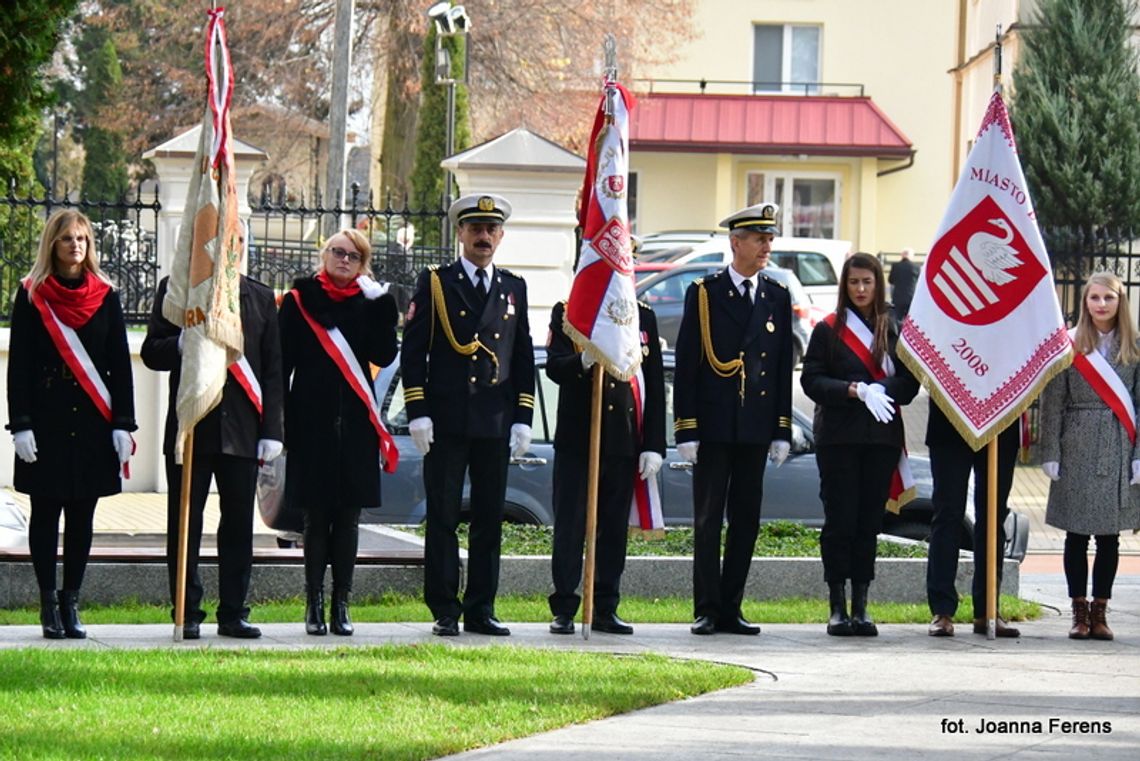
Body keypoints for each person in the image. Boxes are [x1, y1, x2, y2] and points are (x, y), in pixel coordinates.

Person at [401, 193, 535, 637]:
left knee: (488, 517)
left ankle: (481, 607)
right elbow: (414, 350)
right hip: (447, 420)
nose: (483, 237)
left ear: (501, 235)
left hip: (494, 422)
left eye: (491, 229)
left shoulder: (513, 286)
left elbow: (521, 355)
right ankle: (444, 607)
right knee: (442, 515)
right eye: (475, 228)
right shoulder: (437, 282)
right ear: (460, 233)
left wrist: (522, 416)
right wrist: (417, 410)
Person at [142, 239, 284, 640]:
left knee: (239, 525)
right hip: (193, 426)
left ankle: (234, 612)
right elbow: (153, 351)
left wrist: (273, 431)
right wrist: (181, 343)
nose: (228, 249)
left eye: (236, 241)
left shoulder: (257, 296)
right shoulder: (178, 289)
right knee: (184, 521)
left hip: (243, 430)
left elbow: (273, 369)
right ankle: (185, 611)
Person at [6, 209, 136, 639]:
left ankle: (71, 602)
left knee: (83, 514)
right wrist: (20, 424)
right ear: (53, 245)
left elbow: (120, 363)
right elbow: (19, 366)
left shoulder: (106, 295)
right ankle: (47, 604)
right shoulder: (31, 295)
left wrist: (123, 423)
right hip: (47, 419)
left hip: (94, 422)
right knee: (45, 513)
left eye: (81, 238)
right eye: (66, 239)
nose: (75, 245)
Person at [673, 201, 794, 636]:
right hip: (715, 425)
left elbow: (781, 368)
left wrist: (782, 428)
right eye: (759, 238)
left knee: (746, 520)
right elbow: (687, 364)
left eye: (769, 238)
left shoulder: (777, 296)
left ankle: (732, 607)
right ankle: (706, 607)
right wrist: (685, 426)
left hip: (756, 426)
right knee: (707, 520)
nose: (767, 246)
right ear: (735, 242)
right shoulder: (704, 293)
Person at [278, 228, 399, 636]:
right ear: (324, 255)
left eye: (353, 256)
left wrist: (382, 304)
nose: (343, 260)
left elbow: (384, 354)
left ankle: (341, 603)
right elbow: (281, 365)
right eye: (337, 252)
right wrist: (280, 425)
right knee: (315, 519)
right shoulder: (299, 302)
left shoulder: (369, 306)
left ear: (363, 265)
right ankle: (313, 602)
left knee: (348, 520)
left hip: (356, 428)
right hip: (311, 423)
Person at [801, 252, 918, 636]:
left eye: (867, 282)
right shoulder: (828, 329)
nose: (861, 289)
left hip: (880, 441)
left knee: (868, 523)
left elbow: (909, 383)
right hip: (838, 440)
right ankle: (837, 607)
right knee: (840, 522)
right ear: (844, 286)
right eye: (854, 282)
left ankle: (862, 606)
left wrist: (880, 388)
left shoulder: (893, 328)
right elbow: (811, 381)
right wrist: (853, 390)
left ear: (877, 284)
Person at [545, 300, 666, 636]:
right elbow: (554, 368)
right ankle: (566, 608)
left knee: (612, 529)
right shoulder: (569, 311)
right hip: (578, 439)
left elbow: (653, 384)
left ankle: (605, 607)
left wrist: (654, 444)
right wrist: (582, 360)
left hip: (623, 439)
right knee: (571, 525)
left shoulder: (644, 316)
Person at [1040, 271, 1140, 641]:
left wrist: (1138, 455)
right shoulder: (1068, 345)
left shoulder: (1134, 346)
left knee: (1109, 536)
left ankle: (1101, 611)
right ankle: (1078, 611)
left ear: (1120, 302)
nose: (1101, 304)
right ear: (1085, 302)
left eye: (1108, 298)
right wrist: (1050, 450)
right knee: (1076, 535)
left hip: (1118, 444)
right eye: (1094, 298)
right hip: (1076, 443)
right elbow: (1053, 402)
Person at [925, 403, 1020, 637]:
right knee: (947, 515)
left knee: (992, 517)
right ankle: (942, 610)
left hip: (1000, 420)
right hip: (950, 417)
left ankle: (987, 610)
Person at [888, 247, 920, 320]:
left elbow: (890, 280)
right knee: (910, 320)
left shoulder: (895, 266)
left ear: (902, 255)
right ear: (911, 256)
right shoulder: (916, 267)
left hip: (898, 298)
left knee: (896, 320)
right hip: (911, 298)